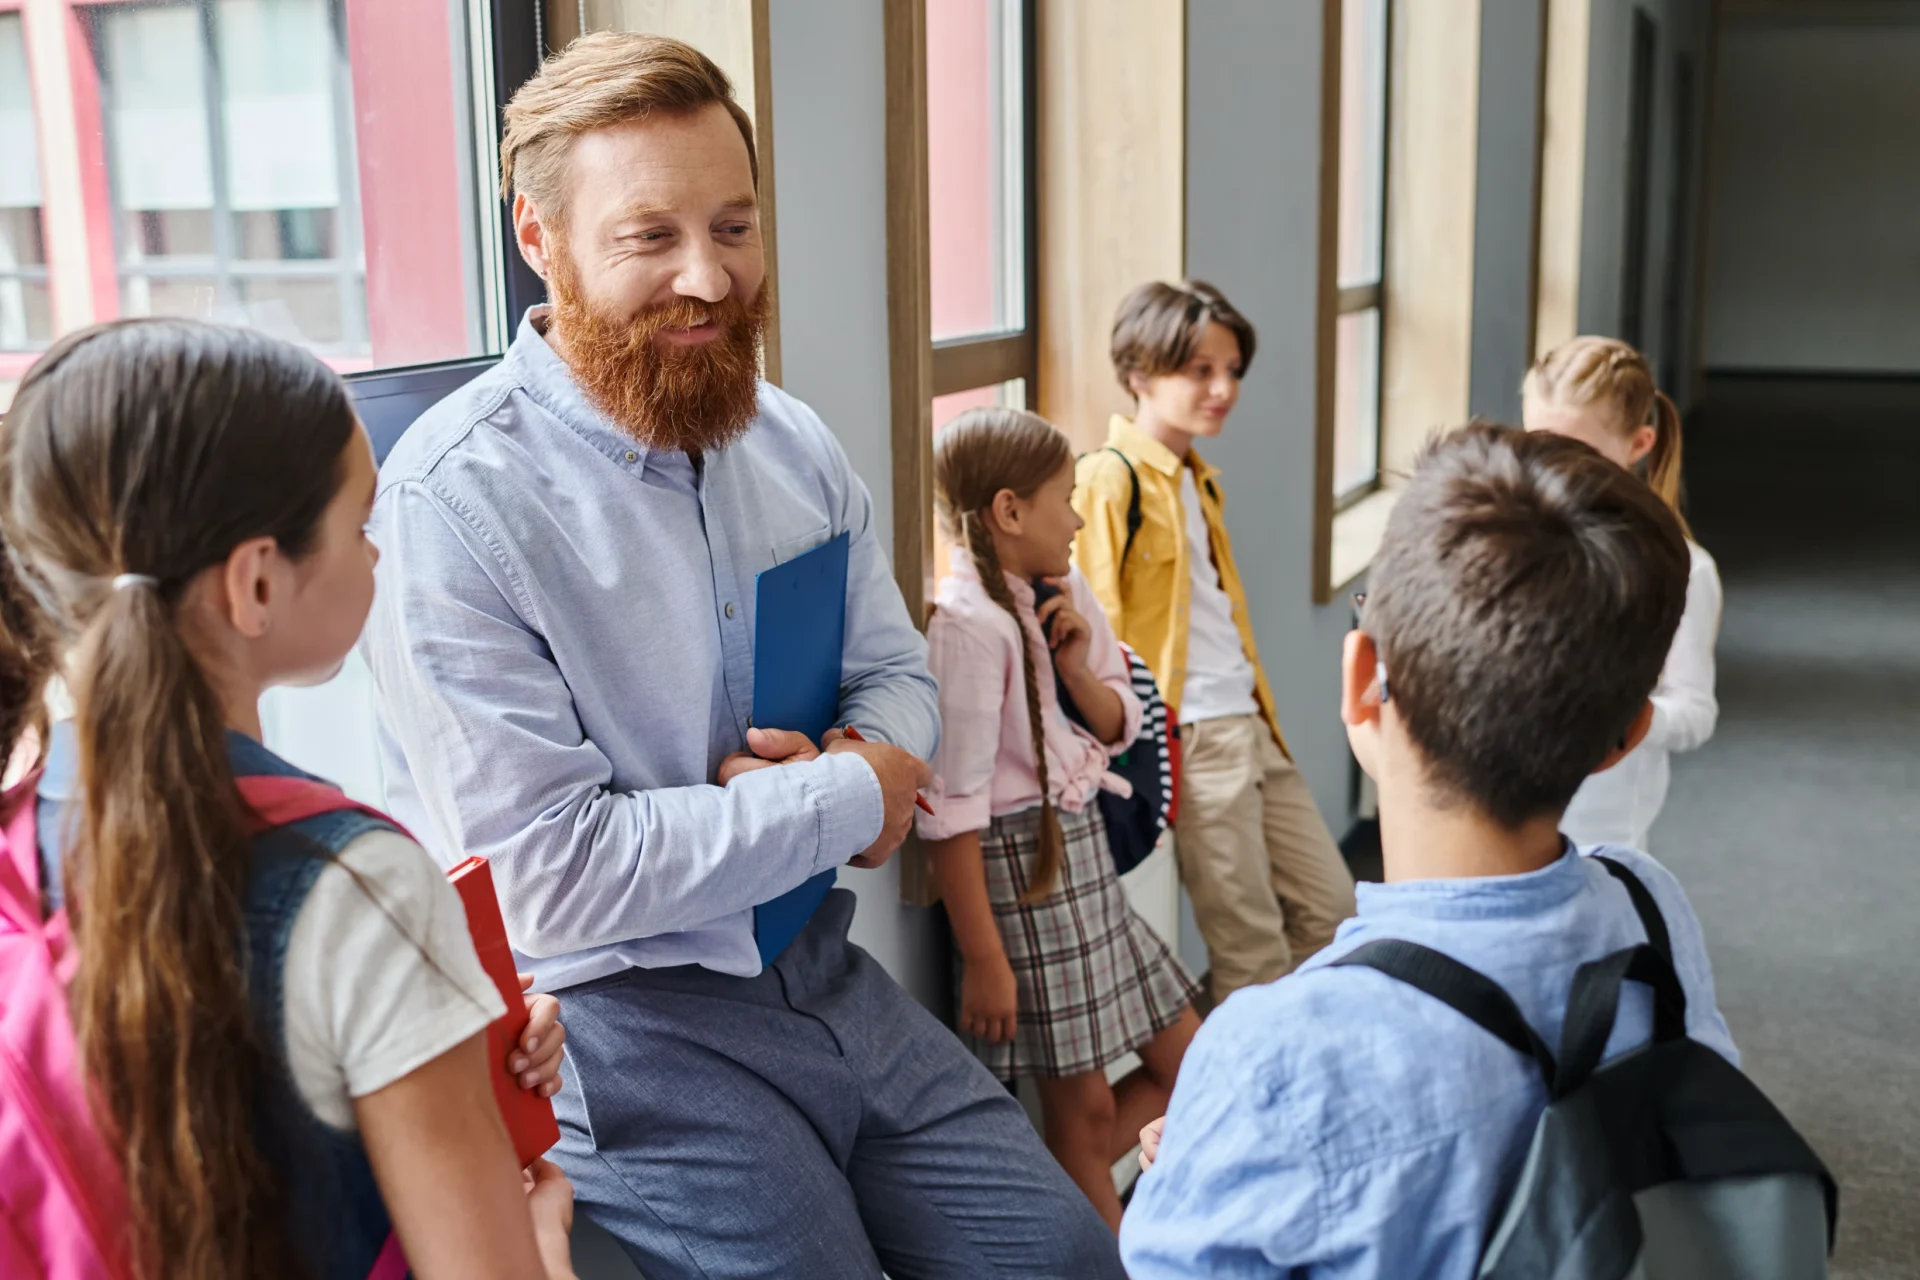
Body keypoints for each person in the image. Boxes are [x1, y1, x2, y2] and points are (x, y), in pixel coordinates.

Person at [359, 33, 1123, 1280]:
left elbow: (899, 671)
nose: (708, 279)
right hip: (620, 1030)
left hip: (820, 967)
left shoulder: (791, 440)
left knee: (1069, 1259)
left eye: (733, 226)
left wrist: (873, 759)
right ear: (539, 240)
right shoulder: (450, 505)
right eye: (648, 238)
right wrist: (849, 792)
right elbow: (547, 880)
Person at [0, 319, 578, 1280]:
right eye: (359, 525)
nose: (379, 555)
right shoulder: (359, 886)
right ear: (256, 581)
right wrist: (546, 1241)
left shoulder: (22, 834)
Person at [1119, 424, 1739, 1278]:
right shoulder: (1648, 906)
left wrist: (1219, 1150)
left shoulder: (1274, 1053)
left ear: (1360, 678)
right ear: (1626, 738)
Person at [919, 407, 1201, 1229]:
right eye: (1065, 496)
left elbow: (1123, 724)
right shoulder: (966, 628)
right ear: (1009, 512)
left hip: (1080, 857)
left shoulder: (1062, 589)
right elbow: (956, 811)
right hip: (1023, 876)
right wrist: (985, 958)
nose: (1078, 516)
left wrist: (1076, 672)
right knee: (1077, 1116)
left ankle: (1038, 1191)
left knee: (1194, 1058)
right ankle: (1098, 1243)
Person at [1072, 280, 1355, 1003]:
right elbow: (1093, 631)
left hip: (1252, 725)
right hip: (1192, 738)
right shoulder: (1110, 481)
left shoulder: (1196, 477)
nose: (1222, 388)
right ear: (1140, 373)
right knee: (1250, 952)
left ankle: (1297, 1067)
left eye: (1231, 371)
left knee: (1336, 913)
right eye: (1199, 370)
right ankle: (1255, 1105)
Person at [1523, 335, 1721, 850]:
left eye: (1578, 451)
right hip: (1503, 821)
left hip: (1600, 840)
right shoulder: (1511, 546)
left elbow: (1695, 712)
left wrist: (1619, 718)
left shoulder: (1683, 570)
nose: (1554, 468)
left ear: (1639, 444)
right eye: (1537, 444)